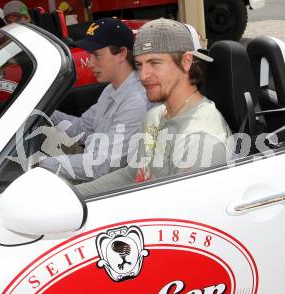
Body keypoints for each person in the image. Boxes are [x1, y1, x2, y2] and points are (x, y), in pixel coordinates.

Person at [76, 18, 232, 196]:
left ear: (186, 62)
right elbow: (133, 175)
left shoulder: (200, 139)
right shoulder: (155, 116)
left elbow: (186, 214)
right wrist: (73, 195)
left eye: (154, 63)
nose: (143, 75)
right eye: (140, 64)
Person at [39, 18, 150, 182]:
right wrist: (44, 112)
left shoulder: (135, 102)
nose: (90, 63)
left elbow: (101, 166)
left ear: (122, 54)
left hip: (116, 187)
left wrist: (40, 165)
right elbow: (82, 128)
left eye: (96, 55)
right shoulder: (111, 89)